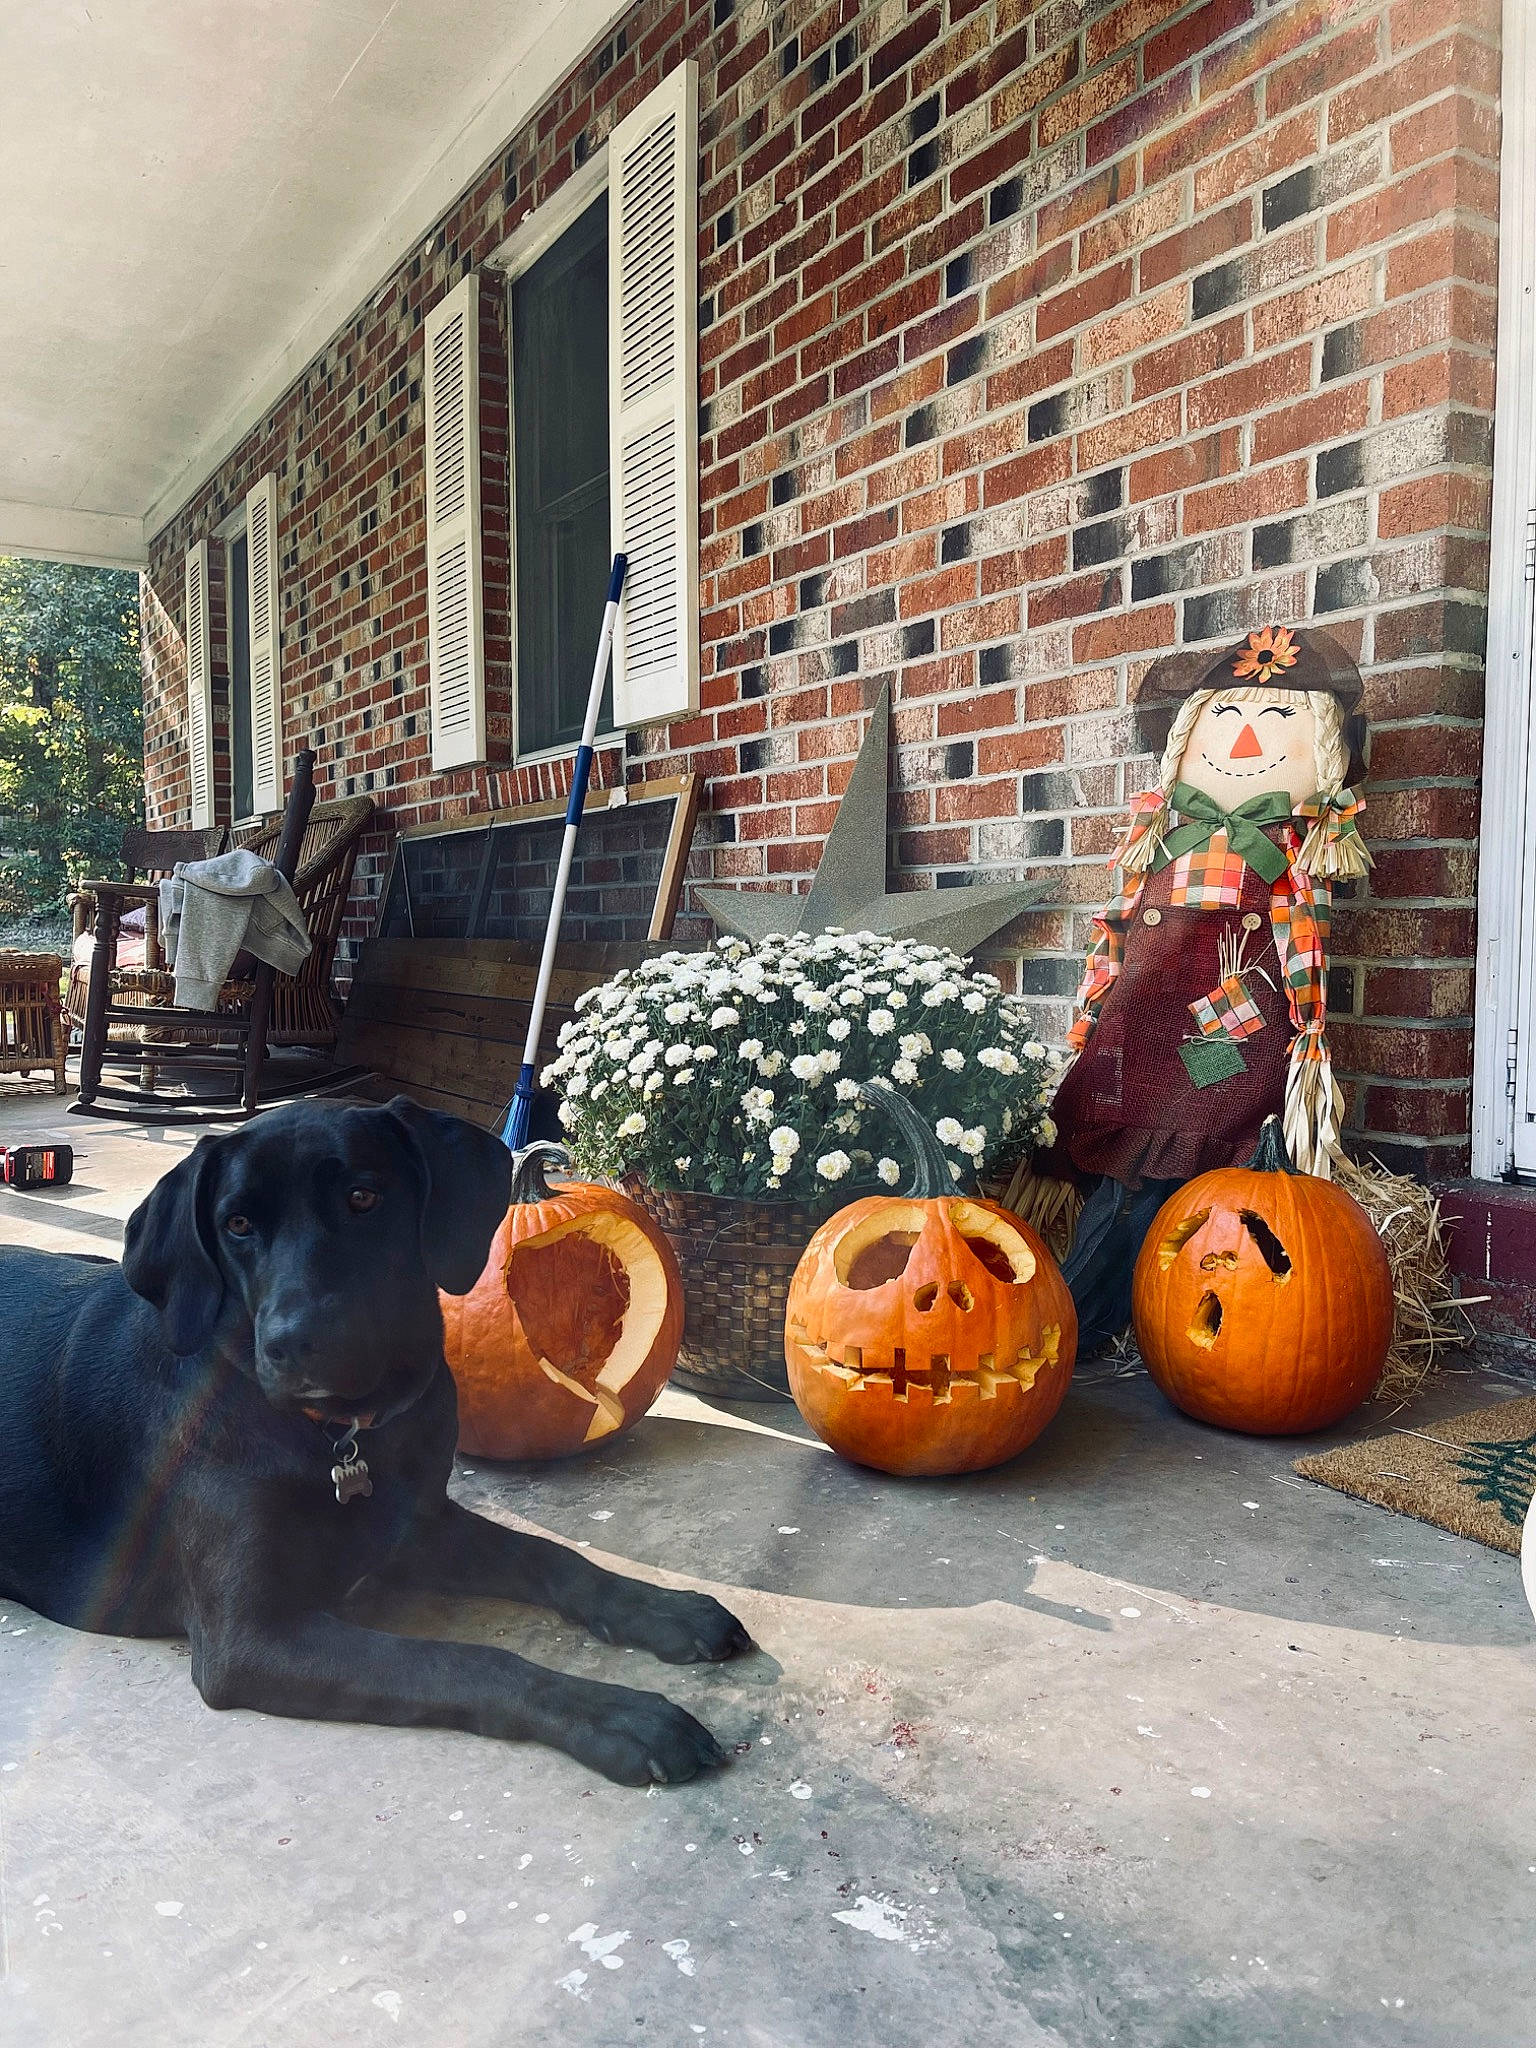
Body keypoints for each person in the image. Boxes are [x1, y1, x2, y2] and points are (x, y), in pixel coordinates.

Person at [1044, 625, 1371, 1352]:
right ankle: (1087, 1314)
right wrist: (1094, 1012)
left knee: (1186, 1169)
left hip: (1228, 1035)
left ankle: (1089, 1319)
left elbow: (1303, 949)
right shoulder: (1157, 834)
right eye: (1226, 723)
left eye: (1274, 725)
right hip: (1140, 1024)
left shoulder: (1293, 855)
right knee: (1122, 1172)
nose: (1246, 746)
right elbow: (1118, 925)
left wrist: (1310, 1035)